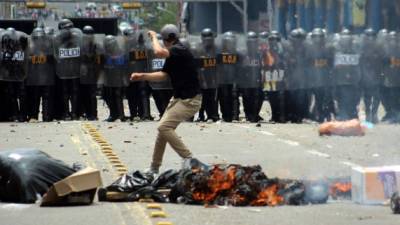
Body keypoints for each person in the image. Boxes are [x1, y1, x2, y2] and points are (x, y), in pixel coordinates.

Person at [130, 24, 202, 175]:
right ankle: (154, 168)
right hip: (179, 98)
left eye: (162, 39)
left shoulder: (178, 49)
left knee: (164, 127)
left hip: (190, 100)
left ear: (165, 39)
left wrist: (154, 37)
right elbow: (164, 75)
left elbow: (158, 52)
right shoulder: (173, 53)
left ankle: (189, 159)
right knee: (162, 132)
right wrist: (143, 76)